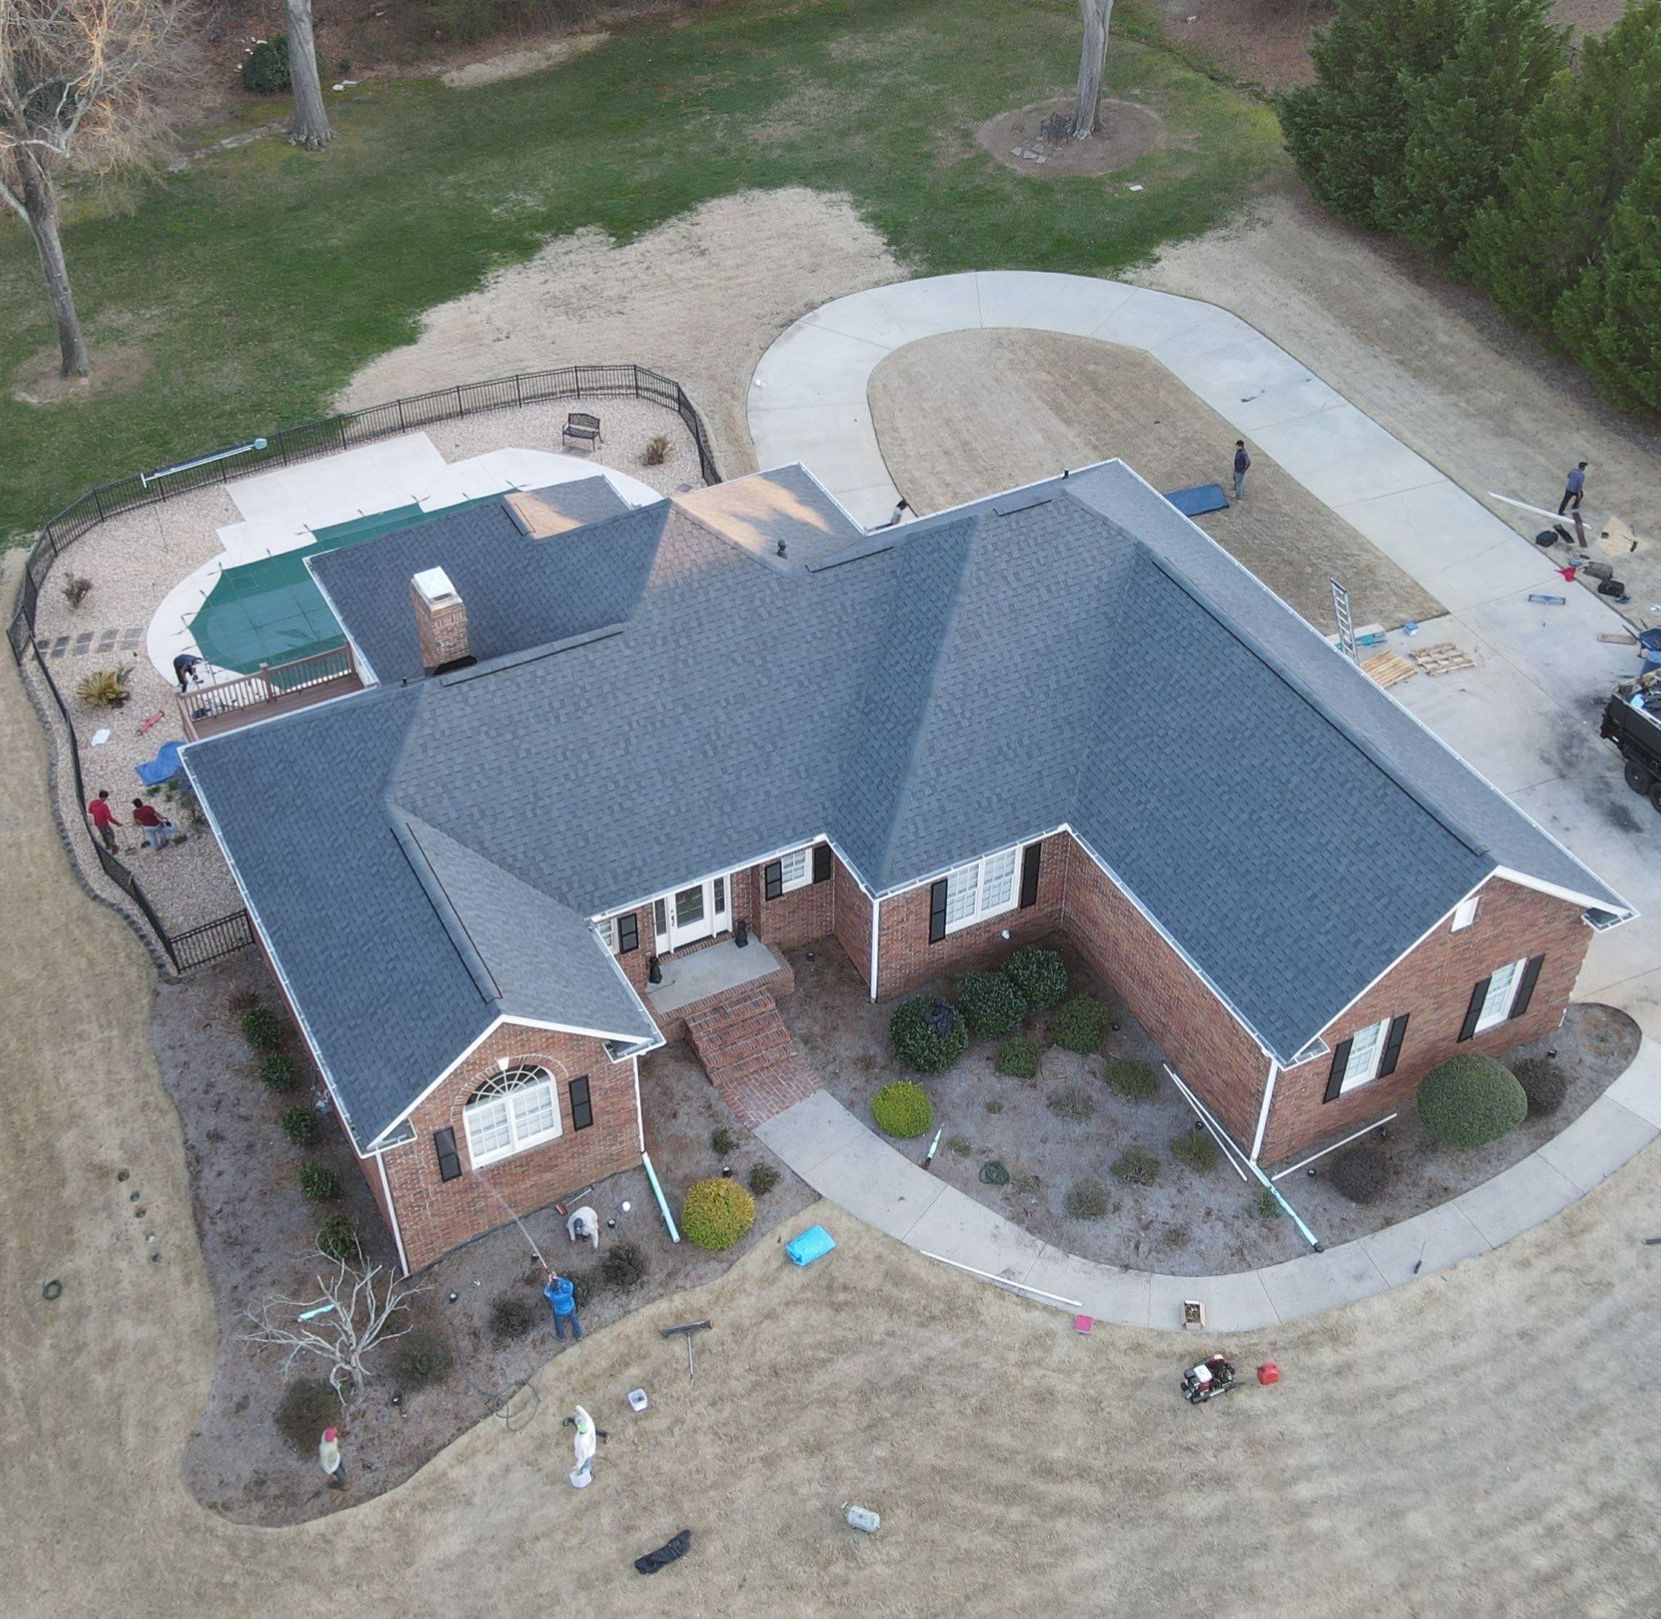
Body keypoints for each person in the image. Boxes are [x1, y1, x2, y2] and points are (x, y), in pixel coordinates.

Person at [543, 1272, 582, 1340]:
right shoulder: (568, 1289)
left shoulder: (553, 1296)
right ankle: (579, 1335)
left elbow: (546, 1292)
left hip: (559, 1312)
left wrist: (549, 1282)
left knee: (558, 1323)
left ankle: (561, 1337)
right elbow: (569, 1283)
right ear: (560, 1285)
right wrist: (557, 1278)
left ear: (552, 1288)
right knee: (574, 1320)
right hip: (570, 1307)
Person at [87, 789, 121, 855]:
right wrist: (117, 823)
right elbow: (109, 818)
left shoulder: (93, 802)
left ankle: (108, 846)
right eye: (106, 798)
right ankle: (114, 848)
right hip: (104, 823)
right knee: (110, 834)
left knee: (103, 834)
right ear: (103, 797)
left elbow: (90, 811)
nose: (105, 799)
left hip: (97, 823)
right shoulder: (104, 806)